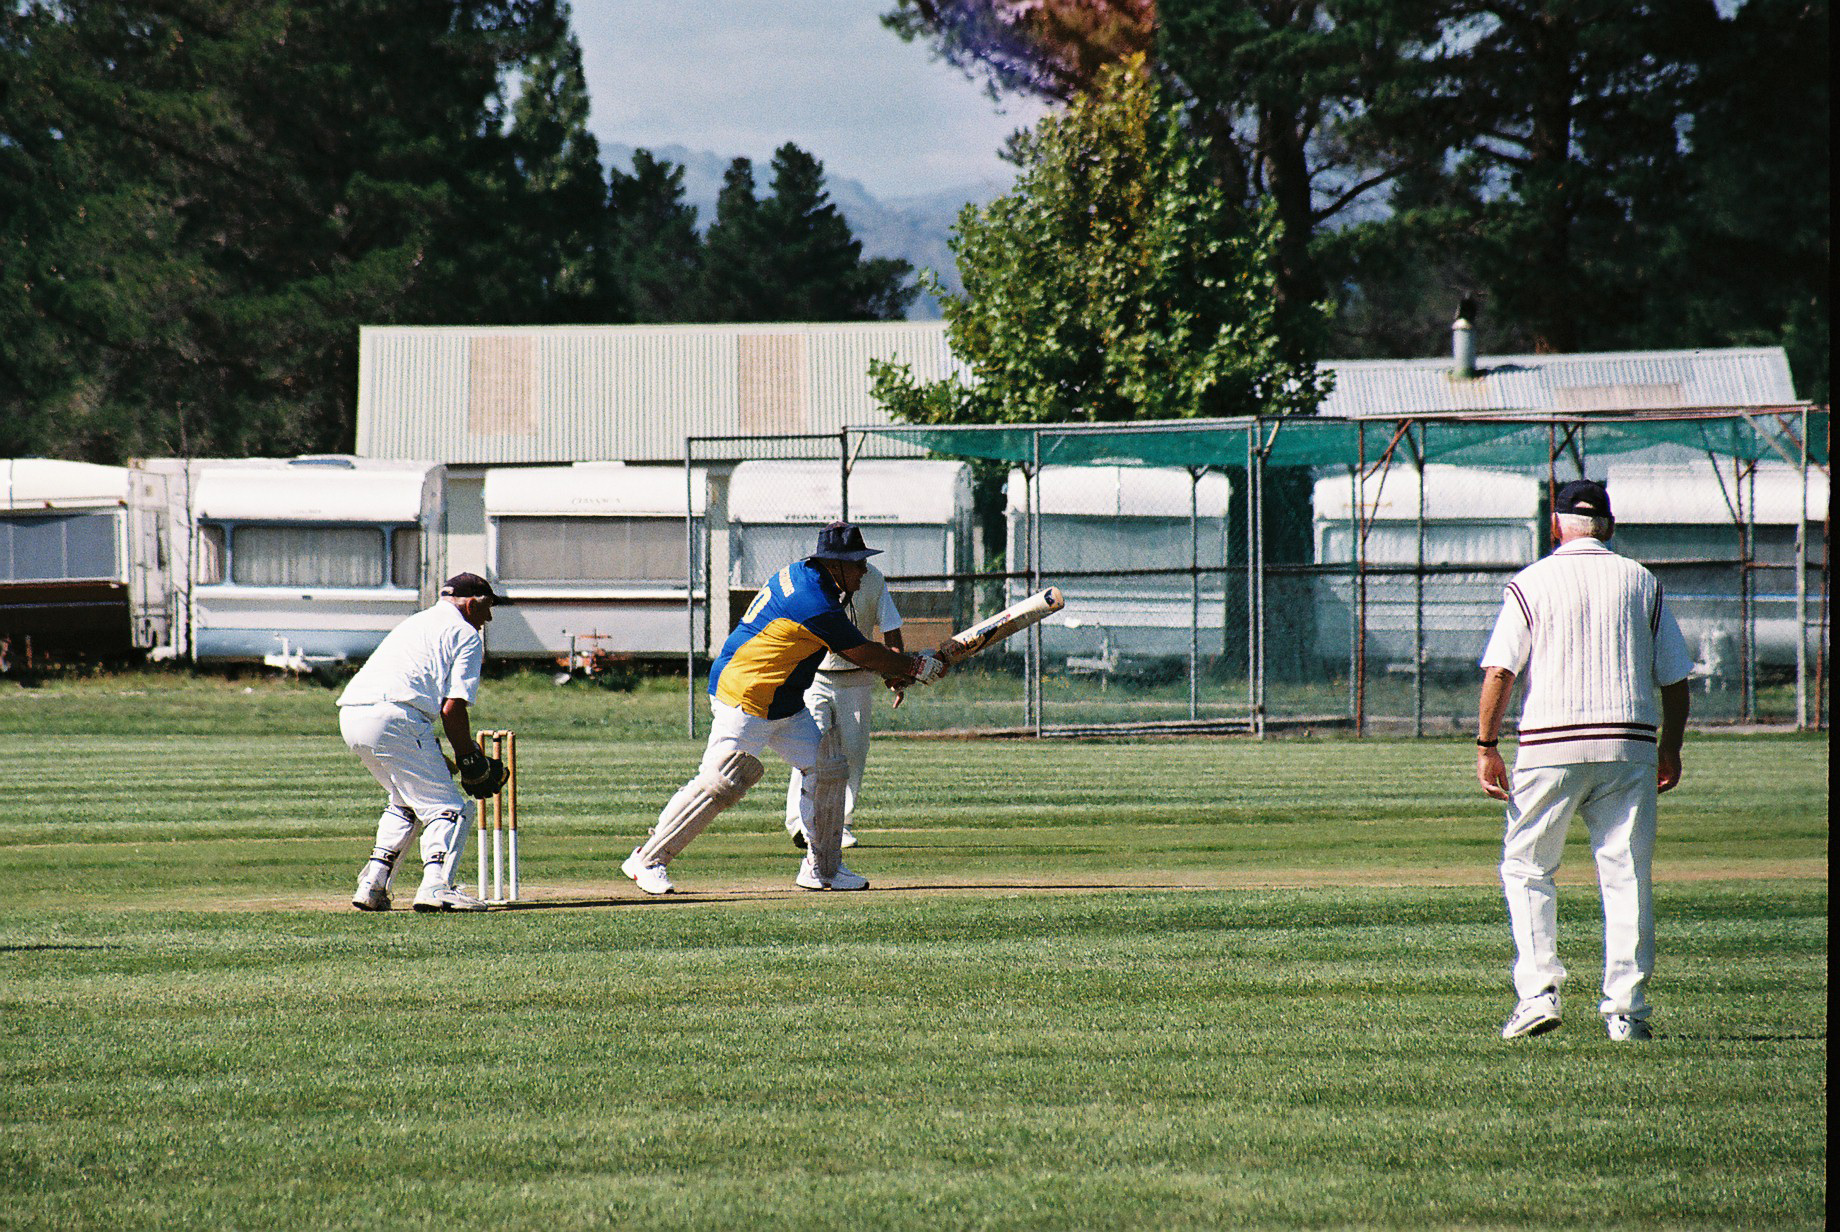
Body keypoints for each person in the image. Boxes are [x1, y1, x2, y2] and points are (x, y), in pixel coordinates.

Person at [1475, 480, 1692, 1042]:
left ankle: (1538, 994)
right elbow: (1675, 676)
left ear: (1556, 524)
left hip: (1549, 744)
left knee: (1528, 867)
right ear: (1609, 526)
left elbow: (1501, 671)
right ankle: (1626, 1012)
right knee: (1626, 876)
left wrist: (1486, 745)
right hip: (1629, 742)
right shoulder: (1642, 581)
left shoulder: (1531, 582)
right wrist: (1671, 746)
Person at [622, 522, 947, 895]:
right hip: (746, 694)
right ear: (835, 565)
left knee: (827, 768)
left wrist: (901, 668)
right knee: (721, 782)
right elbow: (858, 651)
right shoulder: (813, 601)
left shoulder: (807, 576)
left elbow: (861, 651)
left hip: (785, 702)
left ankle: (822, 869)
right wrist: (914, 666)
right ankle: (647, 859)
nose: (863, 571)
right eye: (857, 563)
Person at [339, 573, 512, 913]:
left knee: (405, 802)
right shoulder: (465, 633)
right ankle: (437, 886)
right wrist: (468, 759)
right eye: (488, 607)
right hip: (395, 718)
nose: (488, 618)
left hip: (353, 716)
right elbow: (452, 707)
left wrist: (444, 754)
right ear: (472, 601)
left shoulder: (417, 622)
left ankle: (373, 884)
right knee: (448, 808)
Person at [783, 559, 903, 851]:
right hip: (815, 675)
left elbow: (891, 627)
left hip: (858, 679)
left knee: (853, 751)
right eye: (854, 558)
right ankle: (800, 823)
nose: (861, 566)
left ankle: (841, 825)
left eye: (863, 558)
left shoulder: (873, 578)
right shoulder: (813, 579)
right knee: (810, 748)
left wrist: (895, 673)